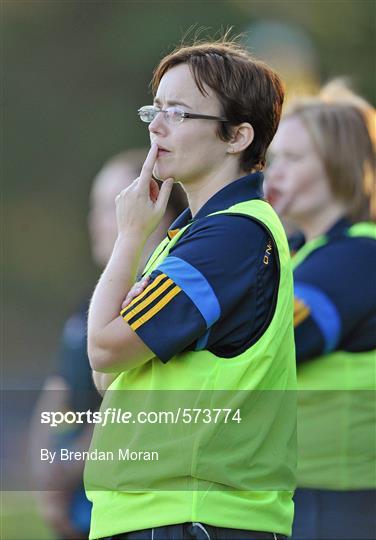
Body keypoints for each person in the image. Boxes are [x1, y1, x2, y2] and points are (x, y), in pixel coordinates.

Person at [86, 38, 297, 540]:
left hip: (192, 516)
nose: (157, 127)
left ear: (238, 136)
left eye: (179, 113)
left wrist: (131, 233)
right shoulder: (191, 236)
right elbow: (105, 375)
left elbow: (104, 346)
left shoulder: (232, 235)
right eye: (154, 110)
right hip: (164, 513)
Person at [30, 148, 186, 539]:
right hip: (78, 508)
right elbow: (56, 396)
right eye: (98, 208)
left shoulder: (171, 297)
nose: (95, 223)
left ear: (157, 209)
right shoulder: (87, 305)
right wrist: (43, 479)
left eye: (110, 207)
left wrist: (68, 470)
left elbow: (131, 408)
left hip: (137, 510)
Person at [265, 94, 376, 539]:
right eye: (273, 158)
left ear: (340, 165)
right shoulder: (307, 254)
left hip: (342, 499)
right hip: (308, 492)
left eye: (293, 157)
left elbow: (271, 344)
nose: (275, 171)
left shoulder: (356, 256)